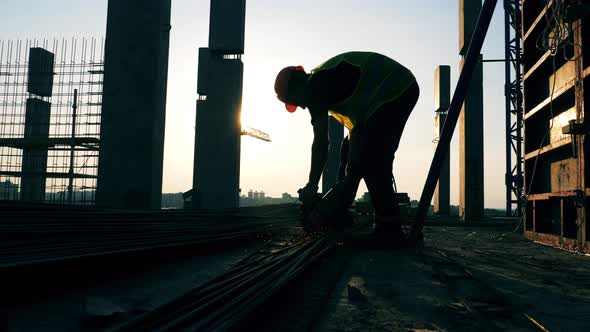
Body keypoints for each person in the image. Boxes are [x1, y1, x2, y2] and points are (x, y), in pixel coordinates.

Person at [274, 51, 419, 244]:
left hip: (394, 89)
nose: (300, 107)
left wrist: (311, 185)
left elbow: (321, 143)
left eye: (294, 102)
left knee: (372, 160)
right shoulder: (321, 81)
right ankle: (341, 212)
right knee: (349, 155)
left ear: (296, 89)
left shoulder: (313, 88)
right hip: (377, 102)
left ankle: (389, 229)